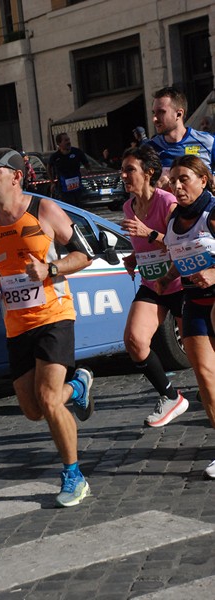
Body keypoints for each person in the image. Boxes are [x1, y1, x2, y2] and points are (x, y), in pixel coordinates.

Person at [0, 147, 95, 508]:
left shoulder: (44, 211)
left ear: (16, 176)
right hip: (16, 324)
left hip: (55, 315)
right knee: (31, 409)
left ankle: (74, 475)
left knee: (48, 399)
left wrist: (50, 270)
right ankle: (79, 385)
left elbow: (84, 254)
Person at [120, 145, 189, 427]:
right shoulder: (128, 207)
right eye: (122, 170)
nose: (123, 175)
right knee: (134, 341)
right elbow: (149, 245)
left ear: (148, 172)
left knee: (200, 357)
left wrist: (147, 234)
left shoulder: (168, 202)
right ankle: (170, 395)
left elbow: (181, 243)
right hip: (153, 286)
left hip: (181, 283)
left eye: (129, 170)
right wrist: (135, 256)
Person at [157, 155, 215, 479]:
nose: (177, 186)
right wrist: (167, 276)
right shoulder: (173, 221)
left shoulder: (212, 214)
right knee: (206, 378)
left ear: (203, 181)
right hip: (193, 302)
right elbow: (181, 254)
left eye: (185, 179)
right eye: (174, 180)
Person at [148, 86, 215, 189]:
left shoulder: (208, 142)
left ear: (179, 114)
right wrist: (155, 189)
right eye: (154, 112)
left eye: (161, 112)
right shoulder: (149, 148)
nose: (155, 119)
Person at [47, 132, 90, 206]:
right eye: (66, 140)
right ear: (59, 143)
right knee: (68, 208)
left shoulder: (77, 152)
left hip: (77, 187)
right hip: (63, 189)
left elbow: (87, 164)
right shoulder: (55, 156)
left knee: (79, 207)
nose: (68, 142)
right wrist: (52, 182)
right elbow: (49, 167)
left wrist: (86, 170)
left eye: (69, 140)